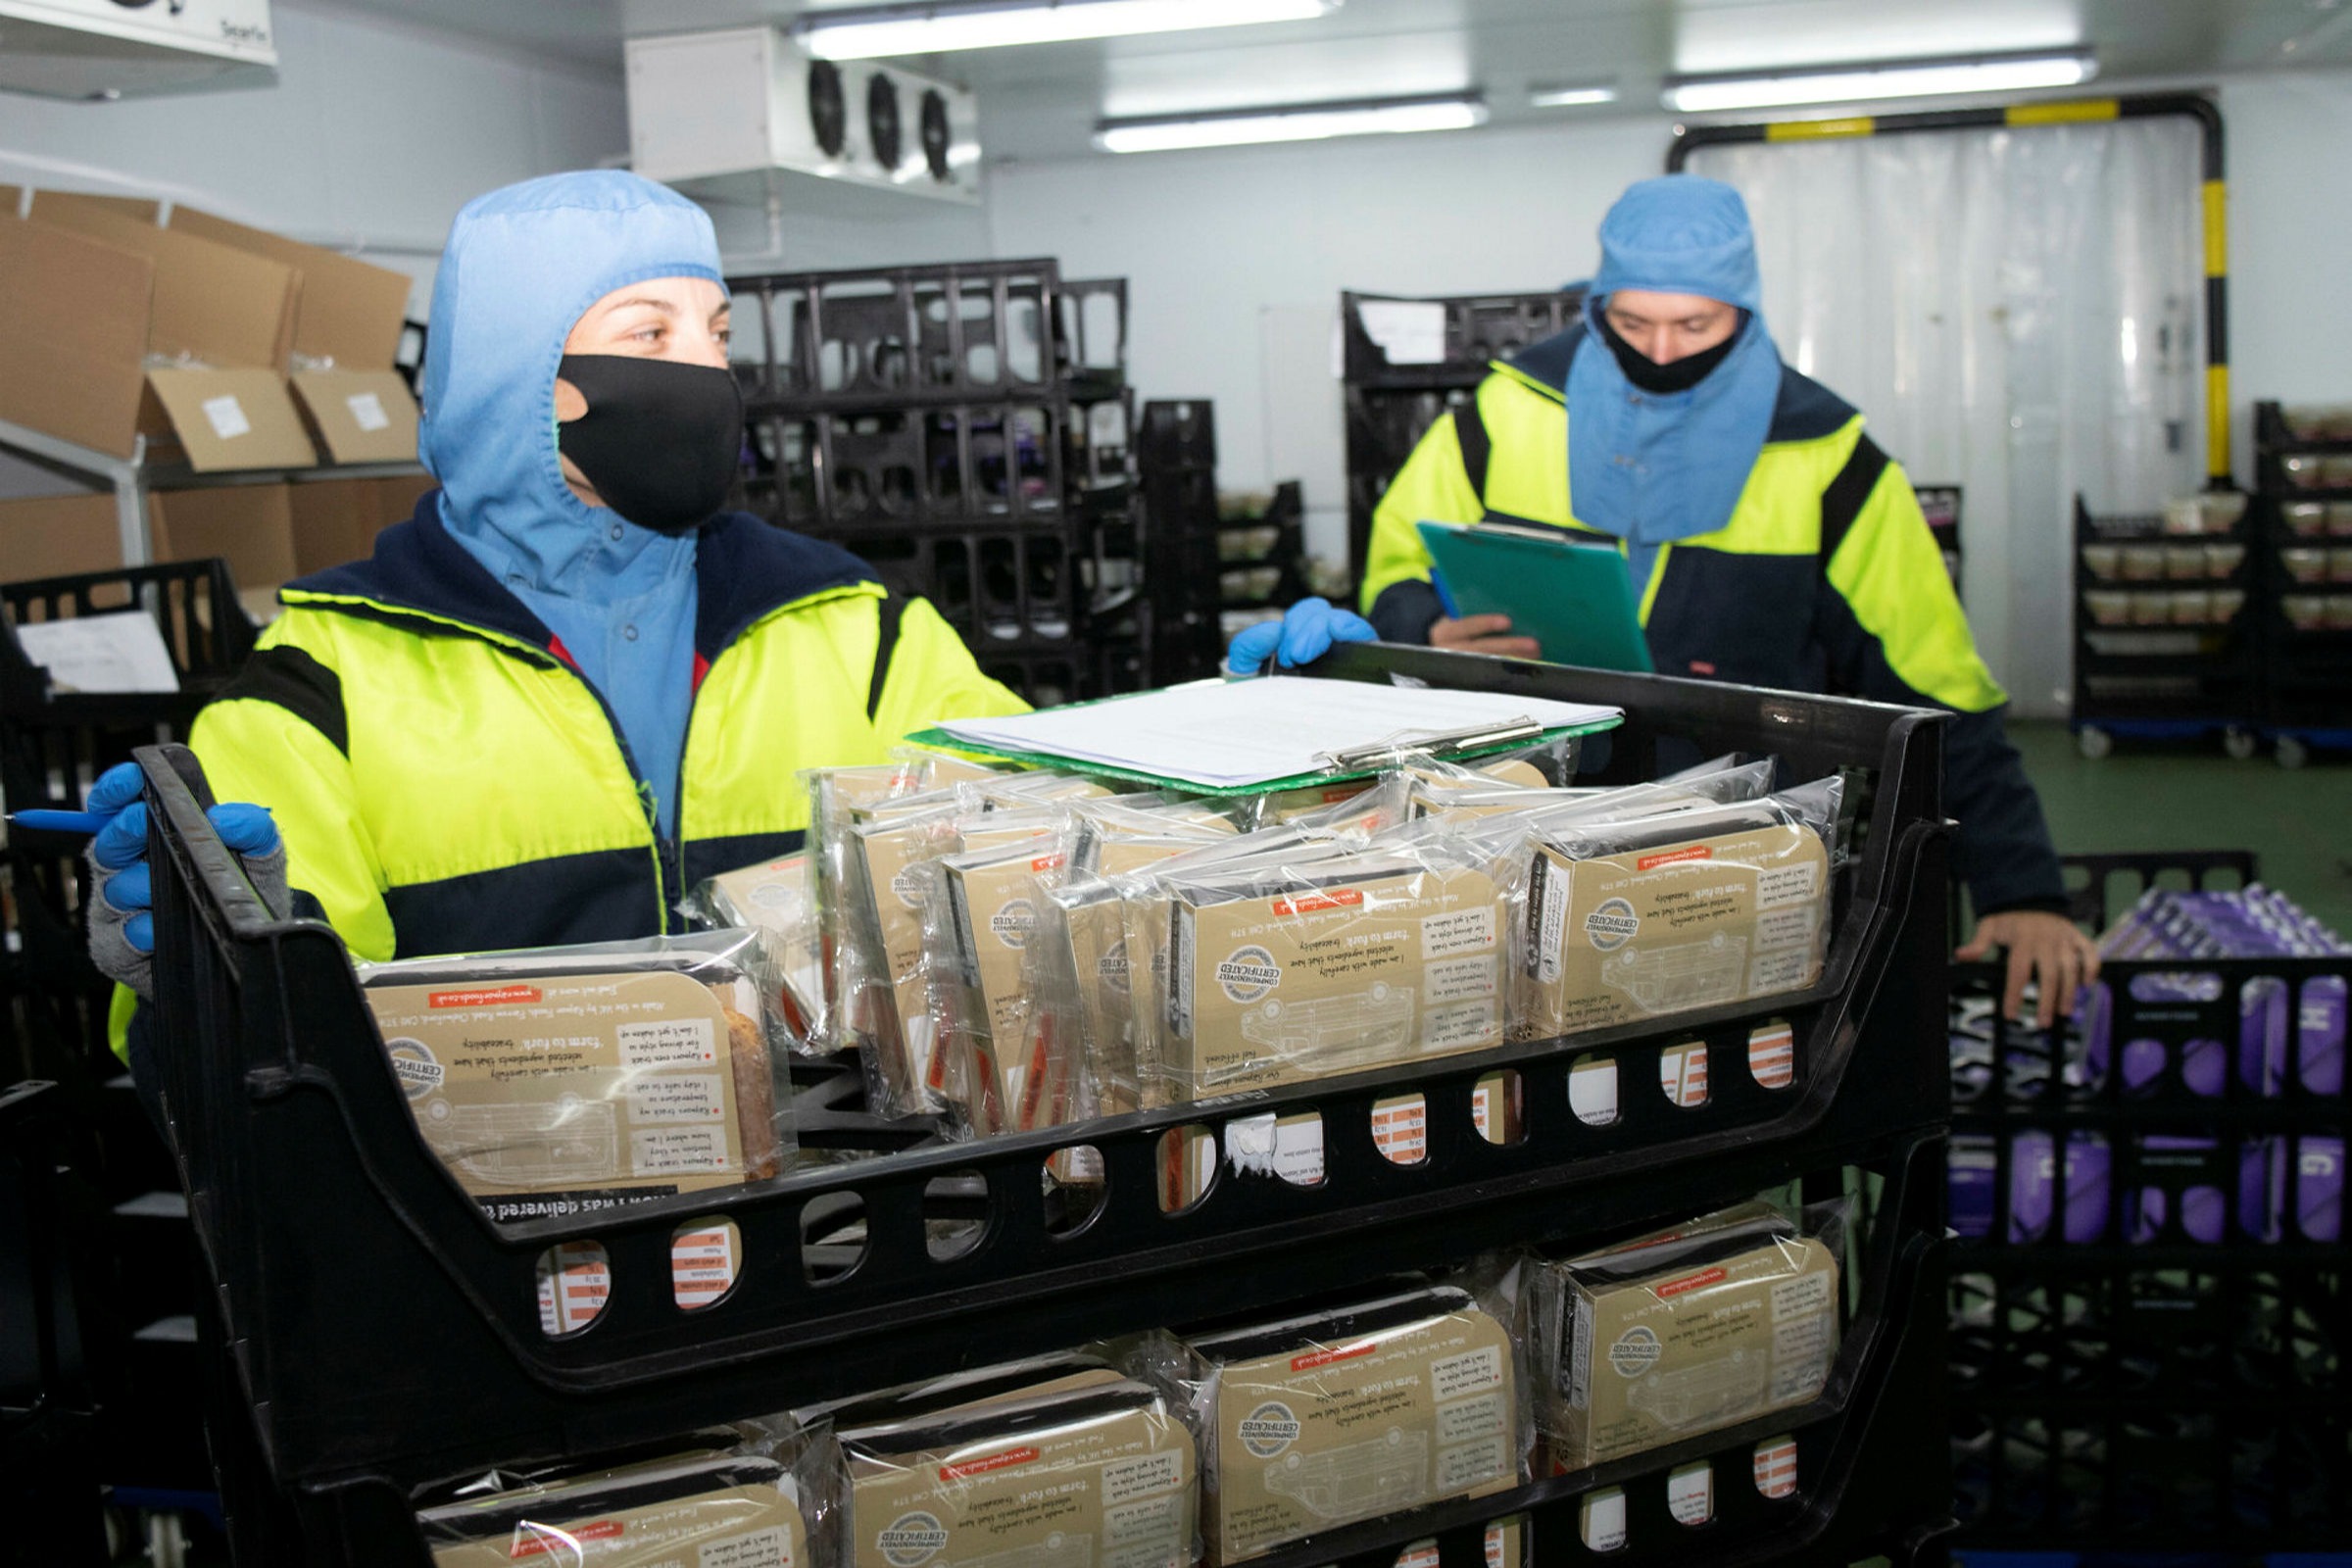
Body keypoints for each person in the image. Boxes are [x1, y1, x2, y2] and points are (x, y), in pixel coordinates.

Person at [82, 171, 1055, 1063]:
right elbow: (268, 1080)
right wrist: (193, 978)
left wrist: (1185, 759)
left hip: (845, 1209)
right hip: (498, 1234)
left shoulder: (858, 628)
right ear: (524, 380)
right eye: (650, 335)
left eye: (717, 335)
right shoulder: (323, 681)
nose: (708, 375)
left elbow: (1043, 843)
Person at [1339, 174, 2095, 1026]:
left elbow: (1936, 681)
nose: (1662, 350)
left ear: (1744, 309)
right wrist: (1424, 626)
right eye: (1633, 322)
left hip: (1733, 860)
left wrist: (2022, 882)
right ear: (1597, 306)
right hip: (1520, 828)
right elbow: (1395, 563)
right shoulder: (1505, 411)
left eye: (1695, 324)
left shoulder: (1829, 458)